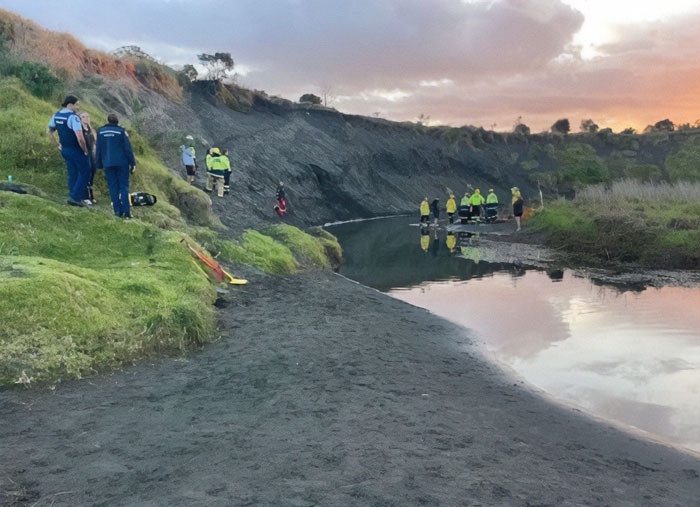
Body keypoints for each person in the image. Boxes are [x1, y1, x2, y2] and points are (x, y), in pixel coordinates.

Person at [47, 95, 92, 207]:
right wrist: (85, 150)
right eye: (76, 105)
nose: (77, 108)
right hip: (75, 149)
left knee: (72, 173)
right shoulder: (73, 117)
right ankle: (76, 197)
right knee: (85, 172)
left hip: (65, 149)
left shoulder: (56, 115)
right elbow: (80, 137)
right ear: (70, 104)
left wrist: (57, 144)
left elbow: (49, 131)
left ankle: (72, 195)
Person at [95, 114, 136, 219]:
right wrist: (132, 163)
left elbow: (98, 148)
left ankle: (117, 211)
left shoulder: (100, 131)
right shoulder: (121, 131)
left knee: (113, 187)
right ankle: (126, 211)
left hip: (107, 163)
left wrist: (98, 163)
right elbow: (128, 149)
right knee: (123, 187)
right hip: (122, 163)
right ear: (117, 121)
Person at [79, 112, 97, 203]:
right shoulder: (80, 129)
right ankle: (85, 196)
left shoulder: (90, 129)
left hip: (92, 153)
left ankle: (91, 194)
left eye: (87, 116)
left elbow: (94, 141)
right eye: (83, 117)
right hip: (84, 153)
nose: (86, 118)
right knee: (87, 172)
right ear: (80, 119)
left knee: (93, 172)